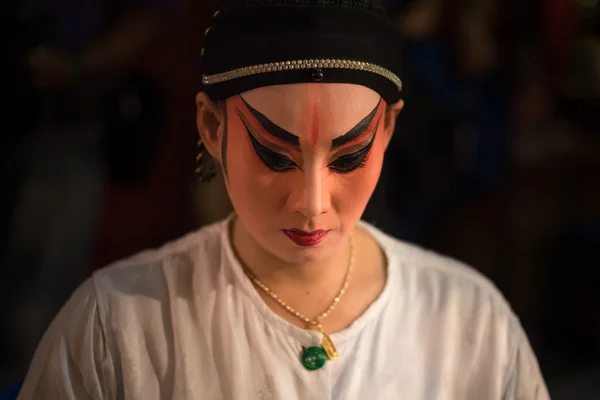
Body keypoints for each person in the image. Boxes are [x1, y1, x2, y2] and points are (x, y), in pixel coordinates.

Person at [17, 0, 549, 398]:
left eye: (347, 157)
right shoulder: (116, 331)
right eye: (275, 155)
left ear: (386, 129)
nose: (313, 203)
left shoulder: (470, 324)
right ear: (211, 126)